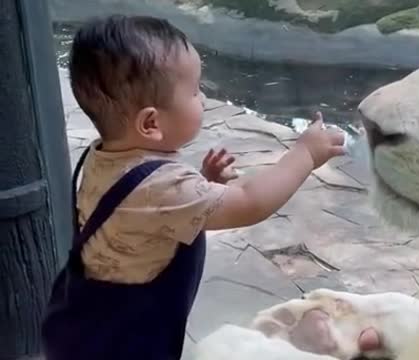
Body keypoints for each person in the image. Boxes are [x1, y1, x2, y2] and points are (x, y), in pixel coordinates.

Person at [41, 14, 344, 360]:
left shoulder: (103, 157)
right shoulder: (165, 188)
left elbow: (147, 213)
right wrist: (305, 153)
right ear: (151, 123)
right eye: (196, 90)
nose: (203, 97)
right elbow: (249, 202)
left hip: (86, 320)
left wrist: (203, 182)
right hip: (127, 342)